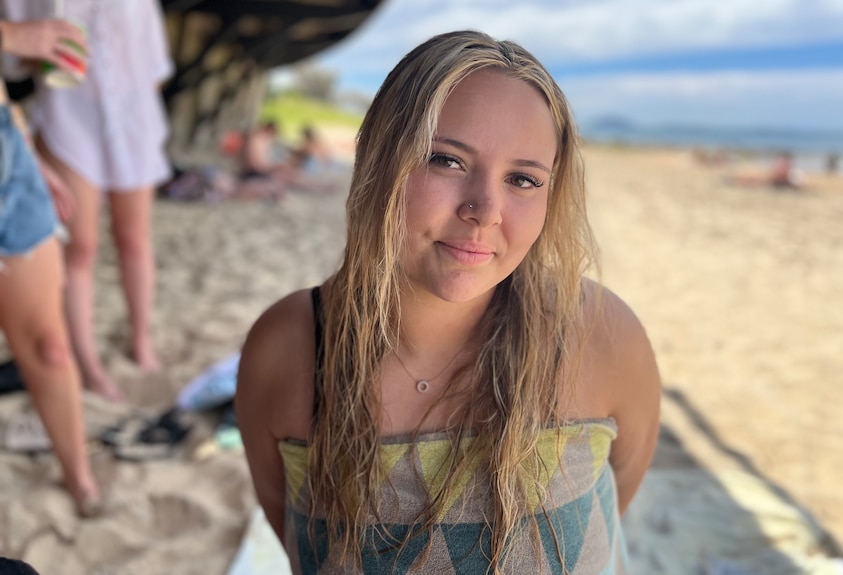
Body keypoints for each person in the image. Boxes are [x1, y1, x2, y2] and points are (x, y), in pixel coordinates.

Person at [236, 30, 660, 574]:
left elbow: (614, 500)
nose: (485, 210)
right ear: (379, 159)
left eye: (524, 179)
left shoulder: (601, 337)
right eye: (447, 161)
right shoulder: (290, 350)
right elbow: (292, 530)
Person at [3, 0, 175, 401]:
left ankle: (141, 340)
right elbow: (11, 60)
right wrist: (37, 50)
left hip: (133, 118)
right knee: (80, 246)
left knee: (134, 238)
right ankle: (88, 362)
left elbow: (155, 64)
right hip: (68, 116)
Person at [0, 16, 102, 516]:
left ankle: (79, 477)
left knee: (50, 345)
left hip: (7, 150)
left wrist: (20, 145)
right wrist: (11, 35)